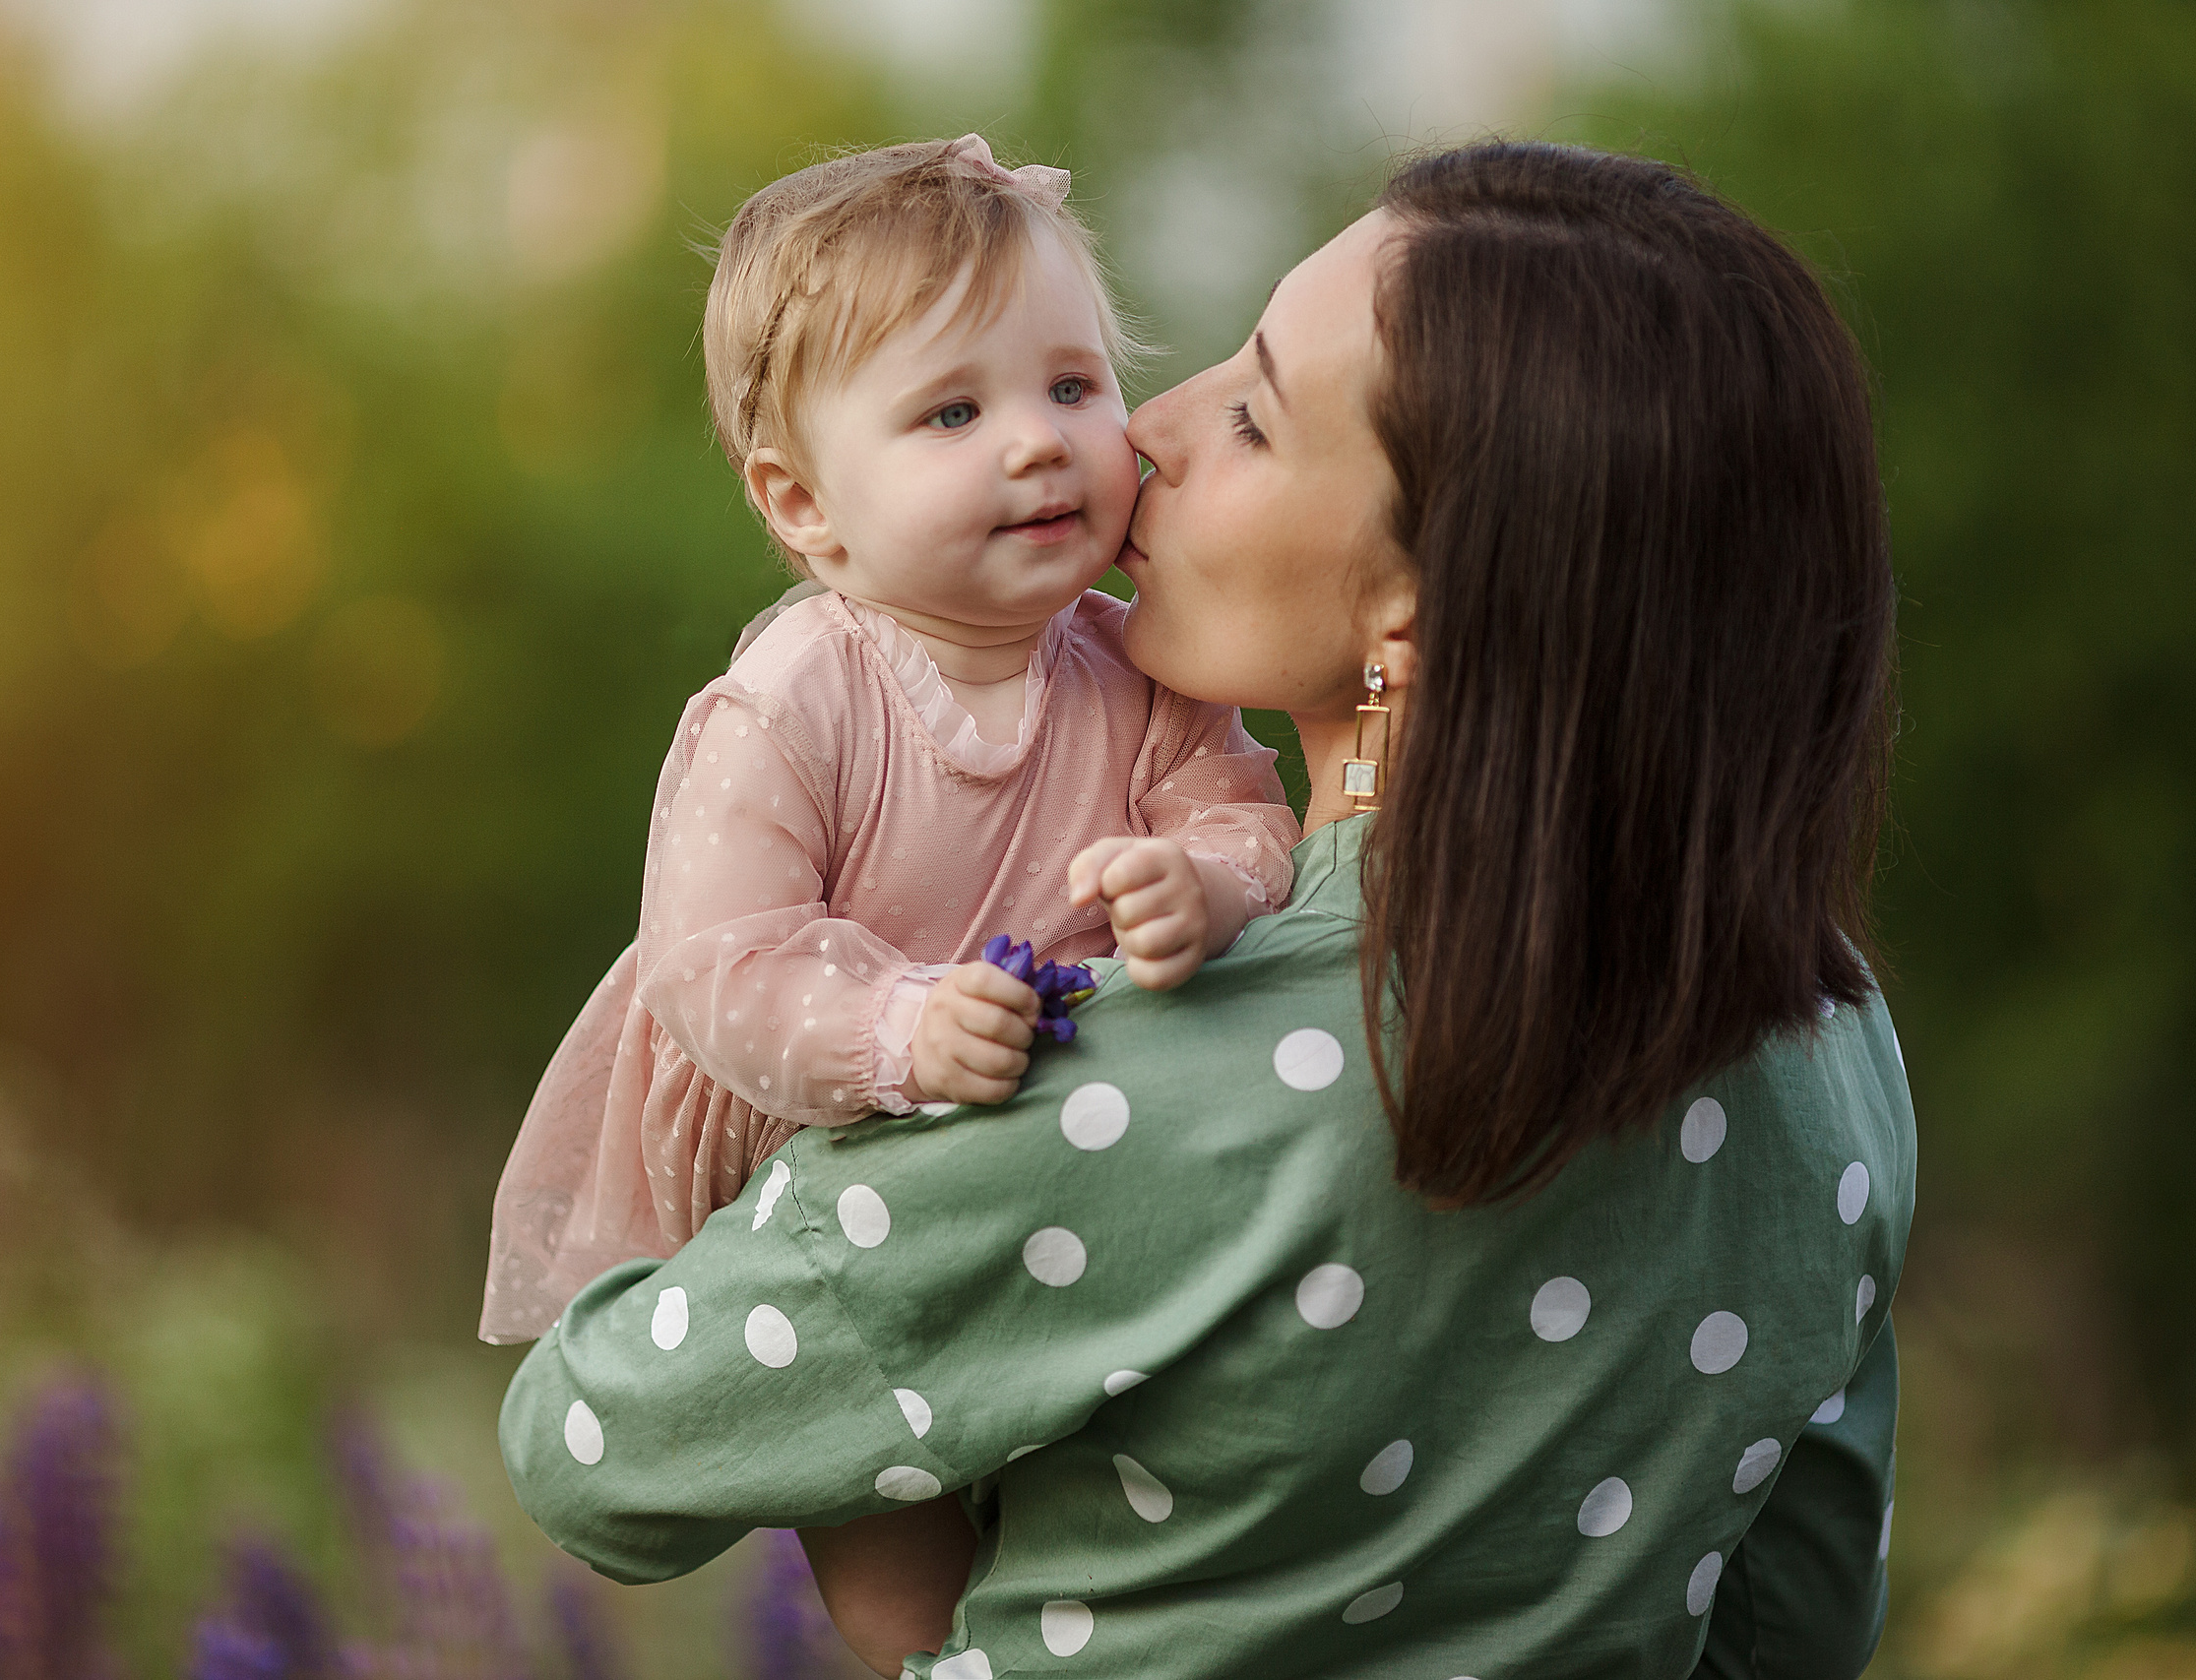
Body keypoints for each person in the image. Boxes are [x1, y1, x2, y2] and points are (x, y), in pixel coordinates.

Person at [496, 140, 1913, 1680]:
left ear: (1415, 615)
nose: (1144, 436)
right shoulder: (1826, 1037)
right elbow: (1794, 1619)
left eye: (1248, 410)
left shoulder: (1106, 1090)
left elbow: (592, 1444)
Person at [477, 135, 1298, 1348]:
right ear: (804, 506)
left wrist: (1208, 886)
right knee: (889, 1511)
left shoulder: (1139, 664)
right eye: (954, 411)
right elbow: (714, 966)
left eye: (1072, 387)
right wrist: (902, 1029)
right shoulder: (794, 703)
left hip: (1061, 1161)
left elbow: (1244, 816)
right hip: (816, 1148)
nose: (1036, 441)